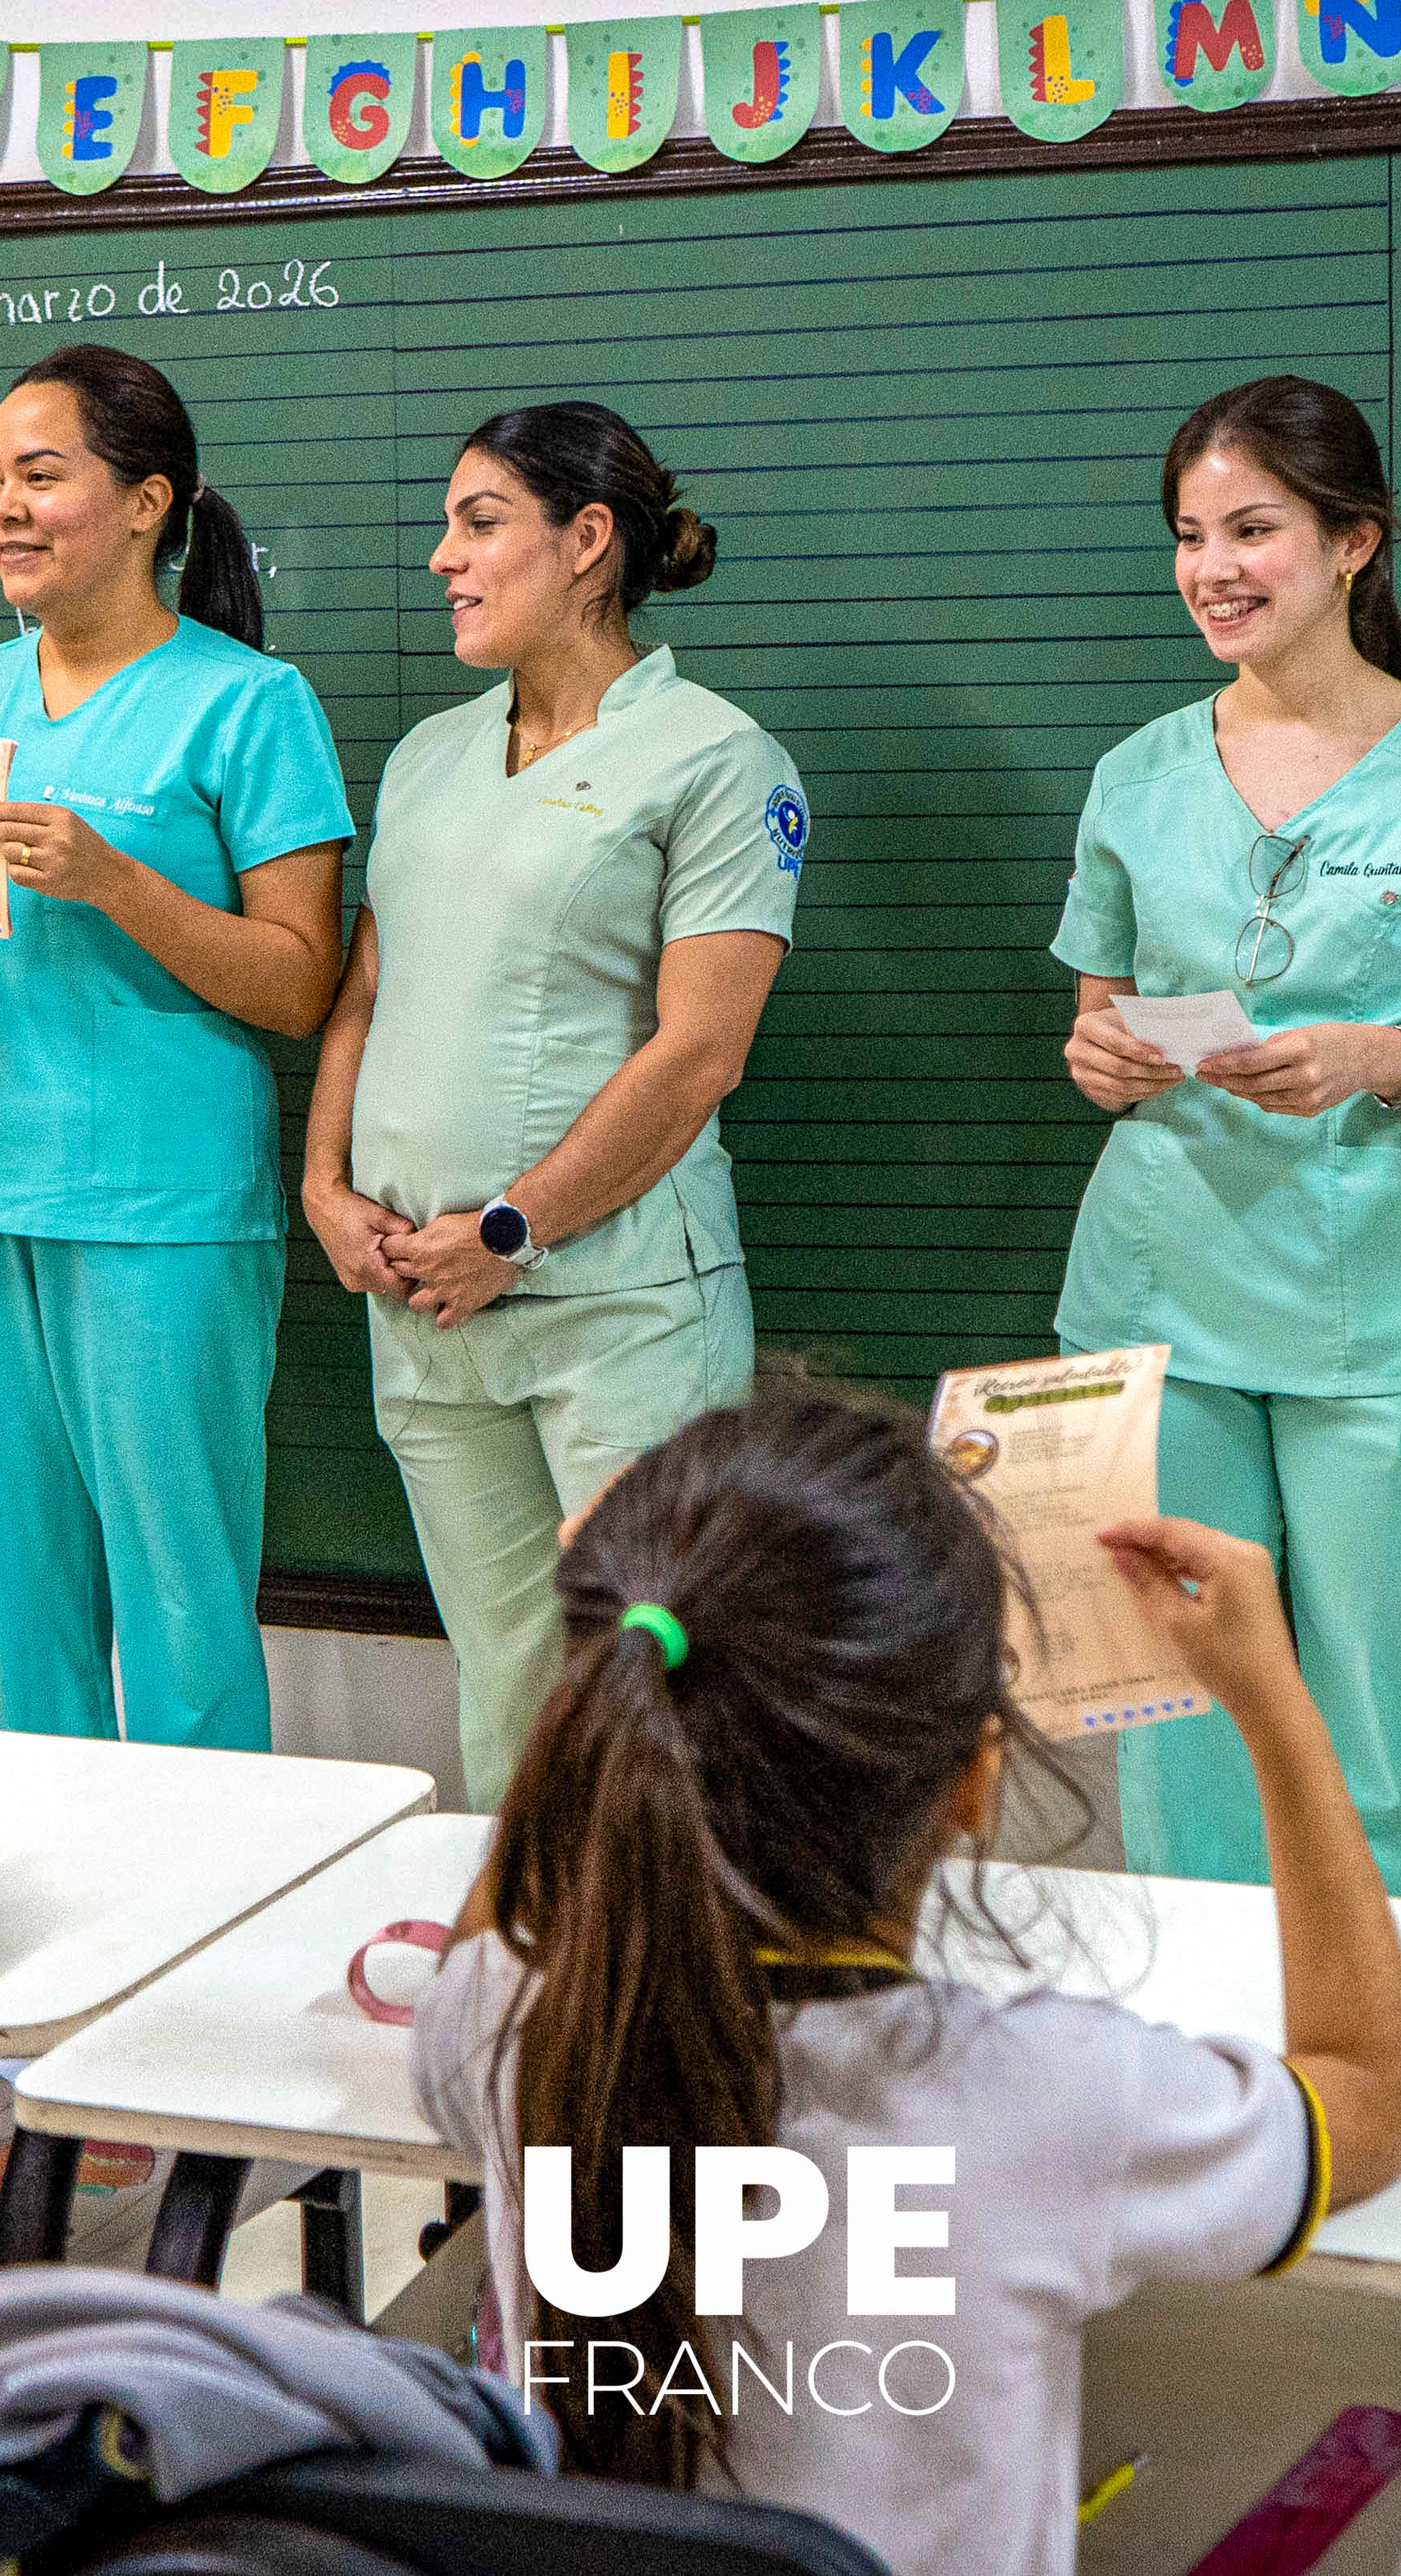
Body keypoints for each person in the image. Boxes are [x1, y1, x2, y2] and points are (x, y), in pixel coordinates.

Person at [408, 1381, 1401, 2576]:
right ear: (974, 1780)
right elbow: (1373, 2094)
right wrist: (1272, 1701)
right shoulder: (1054, 2096)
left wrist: (606, 1656)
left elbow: (492, 1939)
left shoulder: (506, 2023)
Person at [1049, 376, 1401, 1904]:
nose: (1212, 568)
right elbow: (1098, 1032)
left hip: (1389, 1330)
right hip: (1154, 1308)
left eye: (1252, 530)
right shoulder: (1135, 776)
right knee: (1170, 1731)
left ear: (1353, 544)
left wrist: (1383, 1060)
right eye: (1189, 535)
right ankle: (1205, 2046)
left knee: (1393, 1747)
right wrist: (1099, 1058)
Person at [0, 345, 353, 1750]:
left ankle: (215, 1873)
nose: (2, 508)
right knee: (29, 1609)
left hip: (155, 1213)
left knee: (183, 1607)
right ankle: (64, 1862)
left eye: (40, 476)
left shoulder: (248, 704)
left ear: (145, 502)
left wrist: (116, 880)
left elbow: (299, 984)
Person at [304, 402, 799, 1806]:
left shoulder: (715, 759)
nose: (441, 558)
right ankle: (523, 1939)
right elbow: (365, 990)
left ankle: (676, 1950)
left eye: (479, 524)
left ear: (586, 542)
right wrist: (323, 1185)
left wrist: (512, 1229)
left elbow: (701, 1053)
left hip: (615, 1313)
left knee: (654, 1692)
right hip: (424, 1309)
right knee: (509, 1682)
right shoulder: (429, 756)